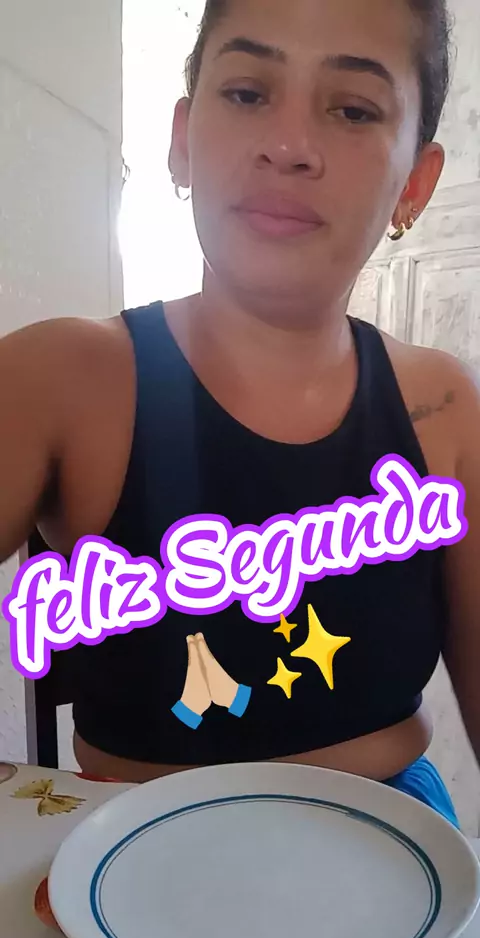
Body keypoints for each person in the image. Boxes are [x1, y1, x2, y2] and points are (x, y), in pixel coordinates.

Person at [1, 0, 479, 828]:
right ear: (183, 139)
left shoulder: (447, 409)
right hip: (132, 852)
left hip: (399, 848)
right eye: (248, 93)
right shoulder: (56, 380)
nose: (288, 146)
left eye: (352, 109)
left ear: (415, 182)